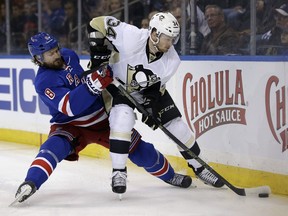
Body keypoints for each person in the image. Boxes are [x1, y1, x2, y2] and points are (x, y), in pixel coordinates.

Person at [13, 32, 193, 204]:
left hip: (103, 120)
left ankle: (170, 176)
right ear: (38, 59)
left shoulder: (68, 55)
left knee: (141, 150)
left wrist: (101, 71)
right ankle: (30, 183)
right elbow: (70, 107)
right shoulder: (43, 82)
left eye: (56, 49)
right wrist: (94, 83)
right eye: (50, 53)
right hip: (70, 125)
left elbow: (89, 73)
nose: (57, 54)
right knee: (53, 148)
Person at [86, 12, 225, 195]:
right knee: (122, 119)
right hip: (116, 84)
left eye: (173, 39)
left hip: (146, 89)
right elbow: (96, 23)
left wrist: (151, 104)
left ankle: (200, 167)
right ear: (154, 33)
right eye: (167, 39)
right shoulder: (131, 36)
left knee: (177, 127)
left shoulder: (172, 60)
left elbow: (156, 87)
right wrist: (98, 55)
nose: (170, 44)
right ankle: (118, 172)